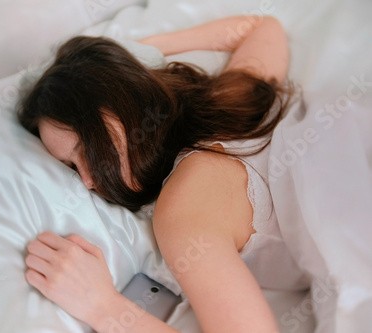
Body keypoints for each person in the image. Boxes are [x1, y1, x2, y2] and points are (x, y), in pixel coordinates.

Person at [18, 15, 306, 332]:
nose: (87, 181)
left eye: (88, 149)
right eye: (72, 167)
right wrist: (131, 56)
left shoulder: (183, 209)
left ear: (122, 101)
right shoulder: (225, 103)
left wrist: (103, 308)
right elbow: (262, 28)